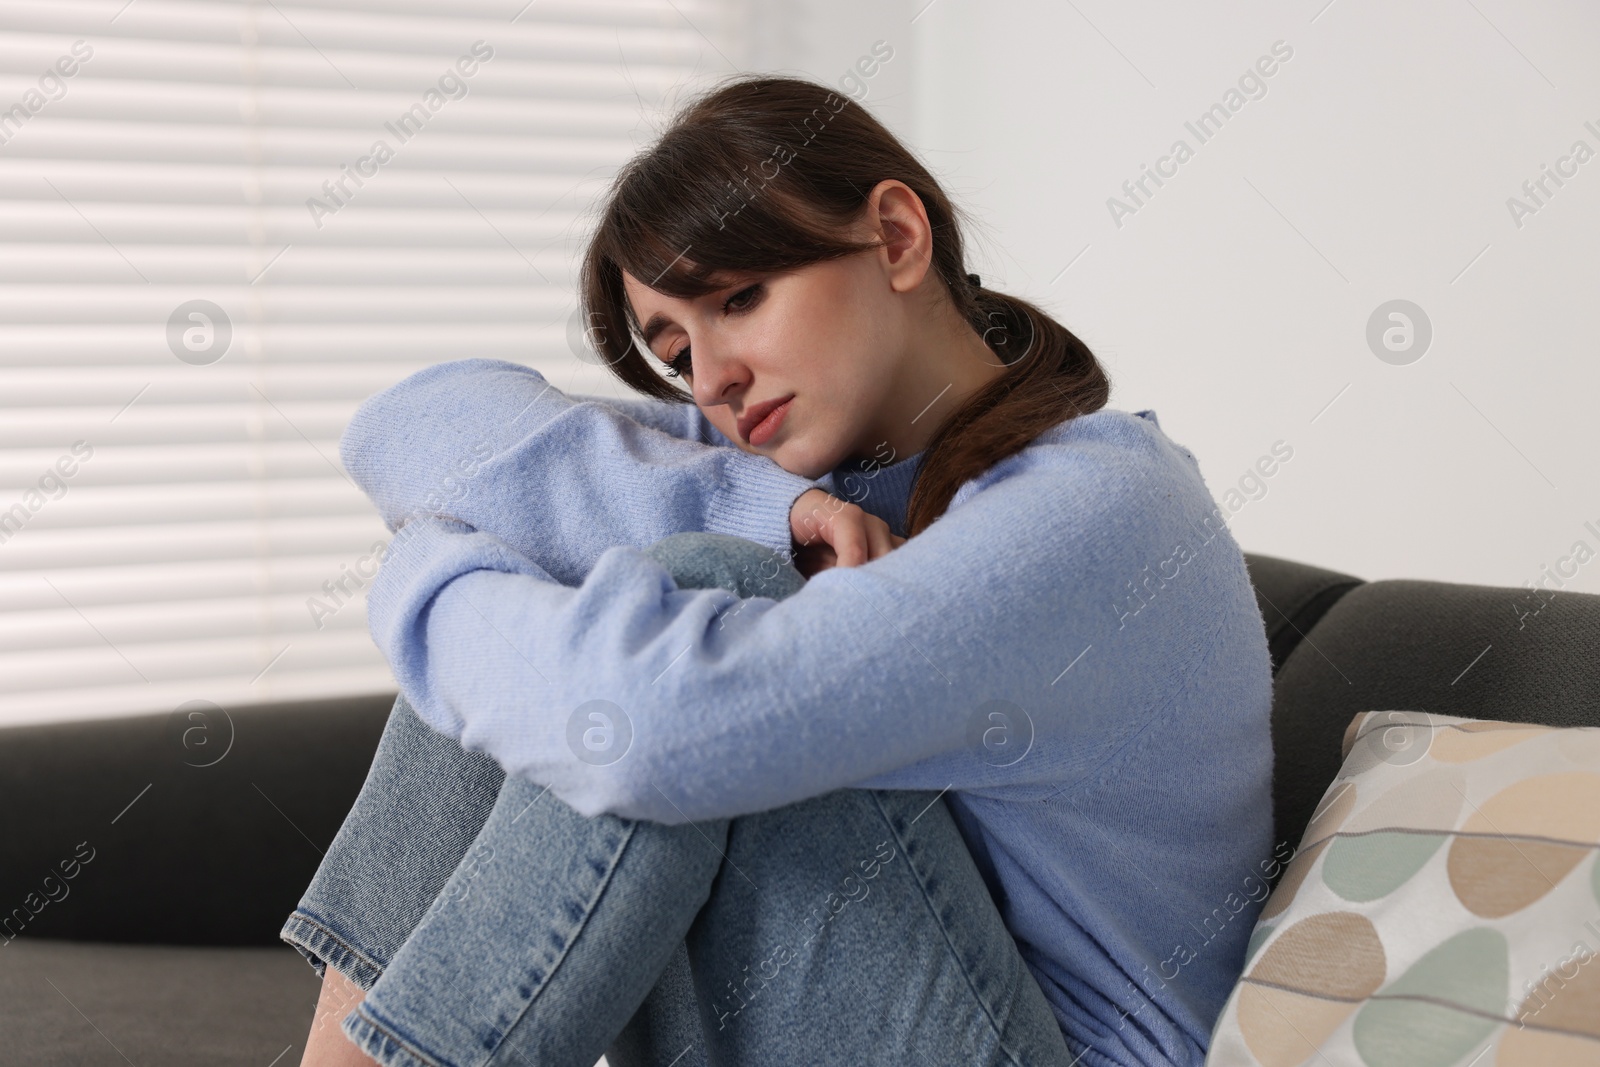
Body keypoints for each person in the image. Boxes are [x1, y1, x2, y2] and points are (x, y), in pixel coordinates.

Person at [283, 74, 1274, 1067]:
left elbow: (656, 733)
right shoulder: (814, 481)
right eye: (674, 348)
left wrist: (426, 575)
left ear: (894, 236)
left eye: (739, 298)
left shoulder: (1104, 507)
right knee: (581, 555)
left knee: (690, 594)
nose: (711, 378)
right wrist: (753, 506)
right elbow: (415, 428)